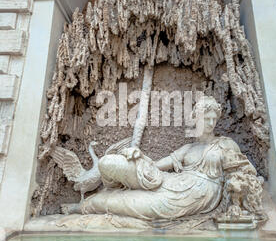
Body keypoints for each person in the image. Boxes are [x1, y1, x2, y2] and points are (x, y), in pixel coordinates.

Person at [74, 95, 261, 221]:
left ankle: (84, 206)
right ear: (196, 118)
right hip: (168, 182)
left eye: (214, 119)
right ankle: (110, 189)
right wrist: (139, 156)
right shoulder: (188, 148)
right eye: (206, 118)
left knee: (123, 203)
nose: (211, 123)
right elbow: (155, 166)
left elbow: (245, 173)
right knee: (107, 162)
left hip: (188, 198)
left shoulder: (226, 144)